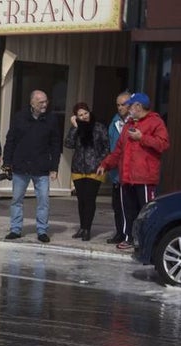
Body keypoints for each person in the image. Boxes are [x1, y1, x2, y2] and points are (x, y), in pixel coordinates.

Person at [97, 92, 171, 250]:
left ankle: (146, 241)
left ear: (138, 106)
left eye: (130, 105)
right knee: (127, 210)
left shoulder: (155, 122)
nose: (127, 108)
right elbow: (118, 150)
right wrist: (105, 164)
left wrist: (142, 138)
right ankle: (128, 237)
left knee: (146, 211)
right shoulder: (128, 124)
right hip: (127, 176)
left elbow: (163, 144)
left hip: (145, 177)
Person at [2, 89, 61, 242]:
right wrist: (7, 162)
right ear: (32, 103)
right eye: (41, 102)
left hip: (41, 167)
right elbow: (11, 140)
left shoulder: (51, 119)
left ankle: (42, 230)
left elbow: (55, 145)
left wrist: (54, 167)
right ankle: (15, 229)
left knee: (43, 201)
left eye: (46, 101)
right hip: (21, 165)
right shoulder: (20, 117)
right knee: (16, 200)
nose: (44, 105)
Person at [63, 102, 110, 241]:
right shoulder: (77, 128)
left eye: (85, 113)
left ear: (90, 112)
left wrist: (100, 162)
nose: (84, 117)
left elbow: (107, 148)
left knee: (89, 200)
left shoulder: (99, 127)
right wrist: (74, 127)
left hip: (95, 169)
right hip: (78, 168)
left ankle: (87, 229)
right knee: (81, 200)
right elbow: (68, 144)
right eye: (80, 115)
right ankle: (82, 227)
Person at [105, 92, 131, 244]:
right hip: (116, 172)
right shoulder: (114, 122)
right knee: (117, 206)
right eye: (118, 105)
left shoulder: (134, 122)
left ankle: (130, 235)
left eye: (123, 104)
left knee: (129, 206)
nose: (120, 107)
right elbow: (112, 146)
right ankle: (120, 232)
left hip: (129, 172)